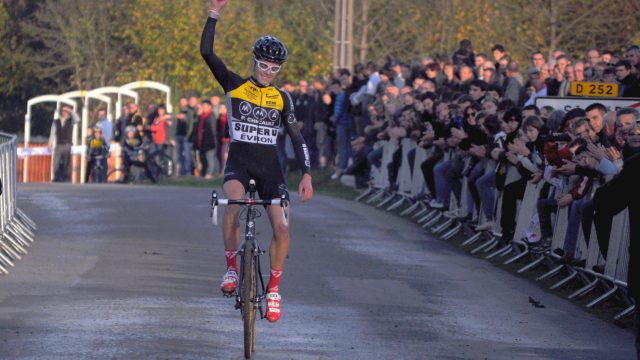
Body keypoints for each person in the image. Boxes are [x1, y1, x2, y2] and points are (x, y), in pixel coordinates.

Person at [201, 0, 313, 323]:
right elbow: (207, 53)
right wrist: (214, 14)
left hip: (269, 168)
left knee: (281, 226)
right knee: (233, 206)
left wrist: (306, 174)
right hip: (239, 161)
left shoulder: (282, 98)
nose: (267, 72)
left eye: (274, 69)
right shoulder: (234, 84)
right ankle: (232, 270)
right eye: (263, 65)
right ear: (254, 62)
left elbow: (297, 138)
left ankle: (274, 290)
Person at [49, 105, 79, 182]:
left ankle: (65, 178)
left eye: (66, 111)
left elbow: (78, 119)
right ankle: (56, 178)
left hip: (67, 145)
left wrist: (70, 110)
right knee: (56, 163)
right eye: (63, 111)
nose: (64, 113)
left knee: (66, 163)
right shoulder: (56, 121)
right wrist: (50, 144)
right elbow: (52, 133)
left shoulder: (71, 121)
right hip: (59, 145)